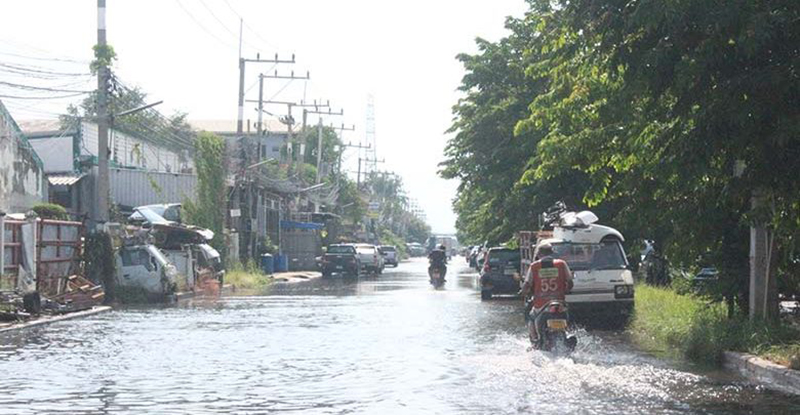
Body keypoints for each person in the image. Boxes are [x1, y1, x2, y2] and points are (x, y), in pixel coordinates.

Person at [520, 243, 573, 343]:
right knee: (567, 314)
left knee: (530, 316)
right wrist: (566, 290)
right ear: (552, 253)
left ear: (539, 254)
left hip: (540, 305)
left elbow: (527, 284)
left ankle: (534, 339)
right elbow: (570, 282)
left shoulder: (534, 266)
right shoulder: (561, 264)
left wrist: (523, 292)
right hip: (559, 302)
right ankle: (567, 332)